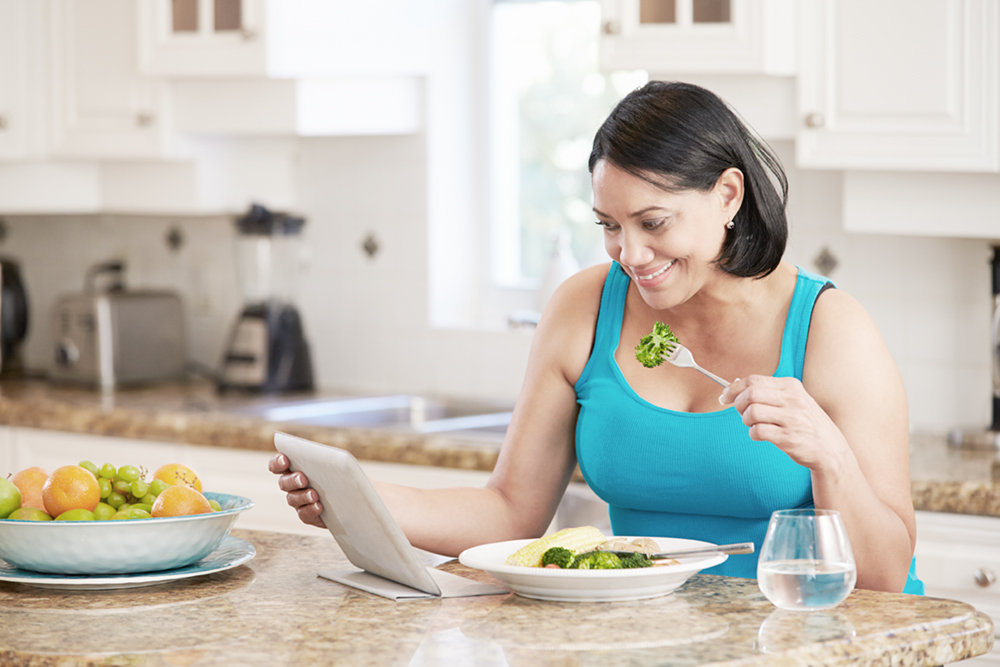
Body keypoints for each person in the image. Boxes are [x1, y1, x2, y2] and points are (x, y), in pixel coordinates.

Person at [270, 81, 921, 594]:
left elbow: (886, 576)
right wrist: (356, 498)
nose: (631, 254)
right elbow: (510, 510)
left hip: (798, 634)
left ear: (728, 195)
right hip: (644, 633)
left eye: (653, 222)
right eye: (610, 224)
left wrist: (829, 456)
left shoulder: (831, 330)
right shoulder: (585, 307)